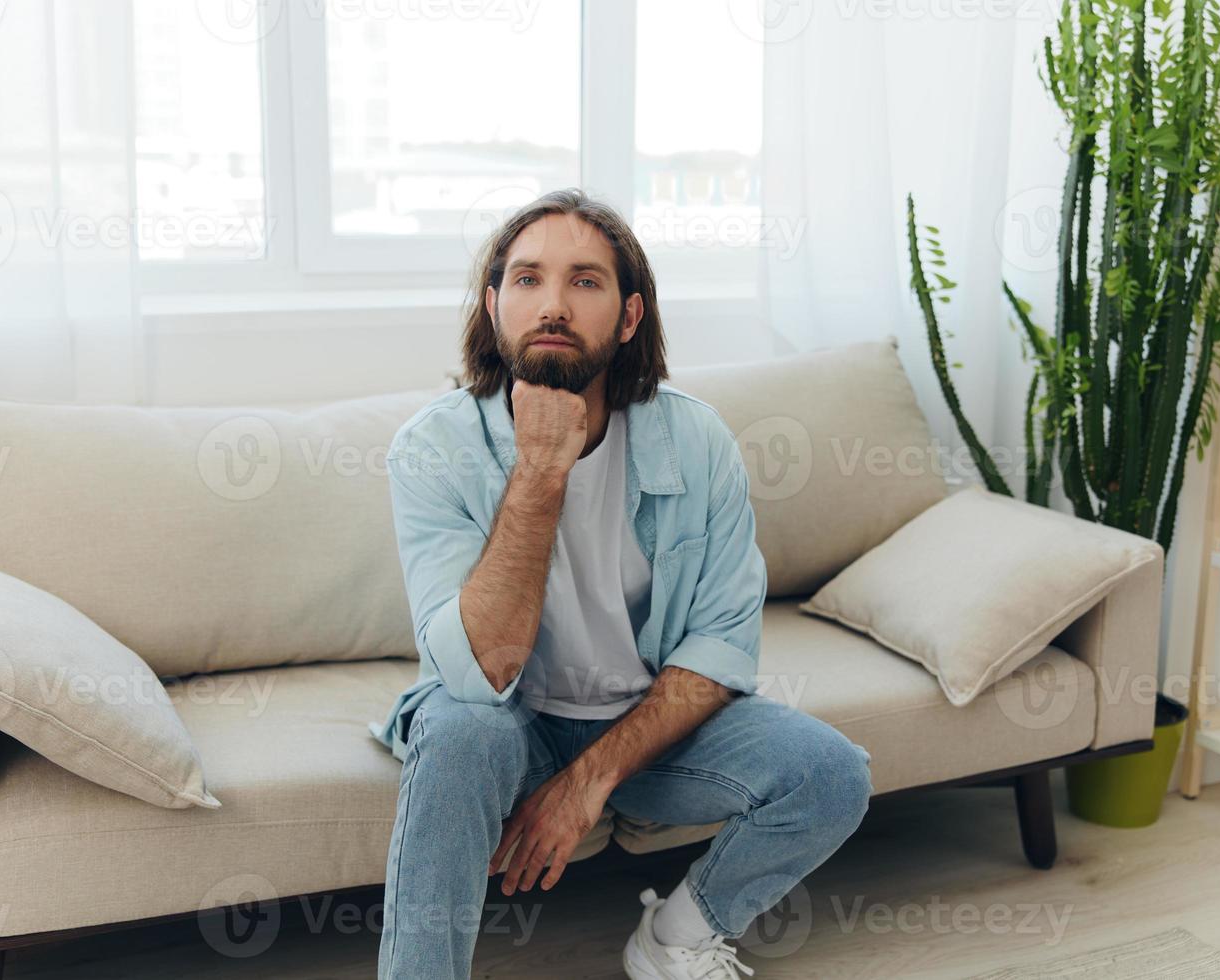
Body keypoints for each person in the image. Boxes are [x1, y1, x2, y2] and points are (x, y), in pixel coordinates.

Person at [368, 188, 873, 979]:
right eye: (528, 280)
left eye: (586, 281)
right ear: (494, 304)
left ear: (630, 317)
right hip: (510, 725)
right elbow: (480, 667)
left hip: (646, 731)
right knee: (459, 730)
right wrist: (539, 468)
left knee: (832, 773)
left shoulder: (696, 439)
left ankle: (677, 937)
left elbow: (721, 645)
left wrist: (588, 782)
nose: (554, 305)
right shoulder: (432, 448)